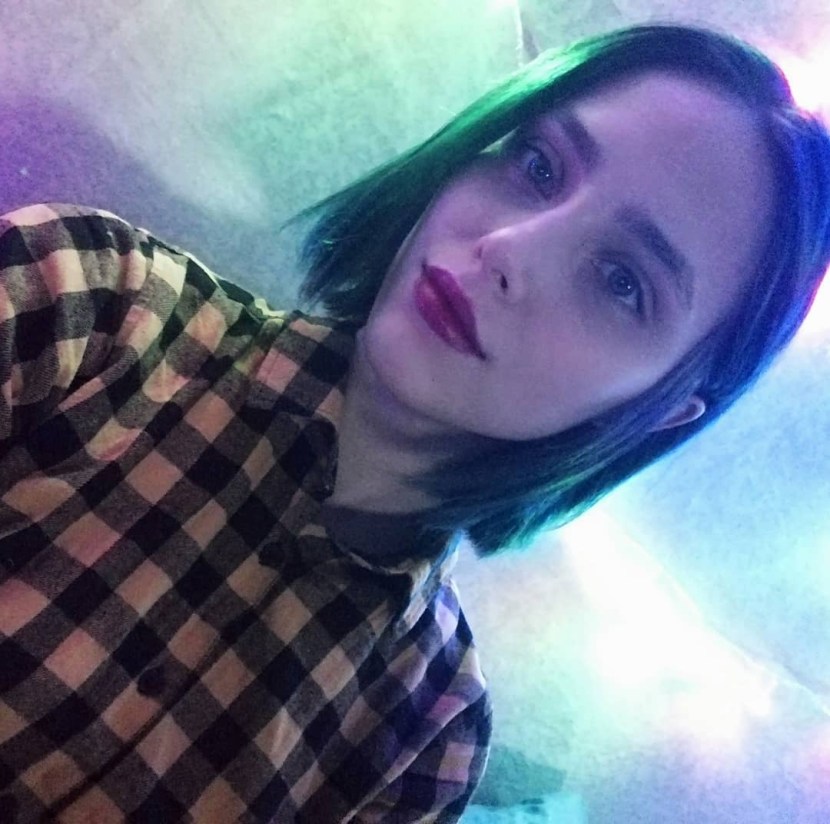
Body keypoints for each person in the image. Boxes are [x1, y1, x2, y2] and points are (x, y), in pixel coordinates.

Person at [0, 22, 828, 824]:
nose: (511, 249)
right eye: (539, 164)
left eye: (622, 281)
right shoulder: (94, 305)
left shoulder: (424, 740)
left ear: (659, 412)